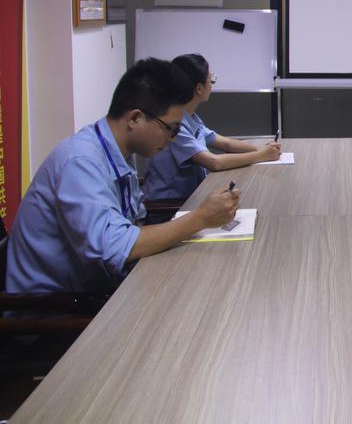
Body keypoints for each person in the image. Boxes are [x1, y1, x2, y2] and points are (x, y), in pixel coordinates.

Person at [5, 58, 241, 294]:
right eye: (171, 128)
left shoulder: (118, 151)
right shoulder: (80, 162)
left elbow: (134, 222)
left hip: (100, 287)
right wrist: (201, 218)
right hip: (56, 307)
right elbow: (114, 248)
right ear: (135, 119)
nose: (171, 139)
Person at [144, 54, 281, 202]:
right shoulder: (174, 125)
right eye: (211, 80)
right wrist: (261, 156)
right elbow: (214, 162)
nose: (212, 85)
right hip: (171, 205)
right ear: (199, 88)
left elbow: (225, 143)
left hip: (193, 195)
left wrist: (262, 149)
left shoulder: (190, 117)